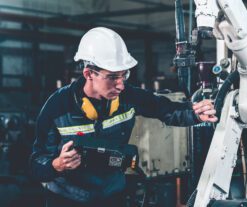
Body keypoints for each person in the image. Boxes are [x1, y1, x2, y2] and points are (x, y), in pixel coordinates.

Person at [29, 27, 218, 207]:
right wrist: (57, 165)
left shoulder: (127, 96)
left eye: (124, 75)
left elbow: (165, 109)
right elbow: (35, 164)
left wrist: (195, 113)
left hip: (112, 196)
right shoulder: (57, 107)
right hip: (67, 200)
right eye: (112, 77)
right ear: (89, 74)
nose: (120, 85)